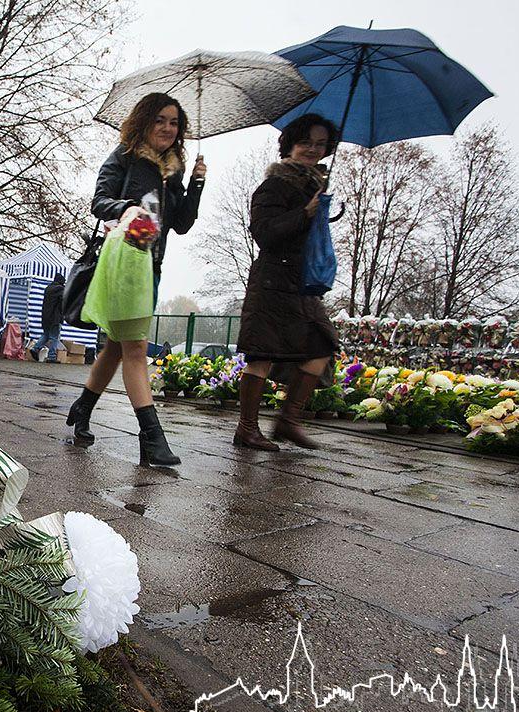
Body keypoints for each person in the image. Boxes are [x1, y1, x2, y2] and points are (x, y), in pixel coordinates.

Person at [65, 92, 207, 467]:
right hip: (124, 262)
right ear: (145, 121)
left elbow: (181, 224)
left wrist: (196, 185)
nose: (167, 127)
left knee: (116, 347)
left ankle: (82, 408)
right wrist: (128, 208)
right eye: (160, 119)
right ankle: (152, 439)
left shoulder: (173, 169)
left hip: (152, 268)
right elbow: (99, 201)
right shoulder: (125, 156)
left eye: (174, 122)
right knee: (135, 349)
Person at [232, 113, 341, 452]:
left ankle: (288, 421)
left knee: (323, 345)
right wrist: (305, 213)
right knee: (261, 354)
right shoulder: (274, 186)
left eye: (321, 144)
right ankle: (246, 429)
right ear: (290, 143)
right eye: (306, 141)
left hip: (303, 285)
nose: (313, 148)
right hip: (272, 282)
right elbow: (264, 232)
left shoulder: (315, 187)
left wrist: (322, 213)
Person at [31, 273, 65, 362]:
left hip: (45, 317)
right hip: (55, 318)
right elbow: (63, 302)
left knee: (46, 334)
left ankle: (35, 348)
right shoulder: (60, 289)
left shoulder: (48, 288)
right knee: (54, 337)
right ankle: (52, 357)